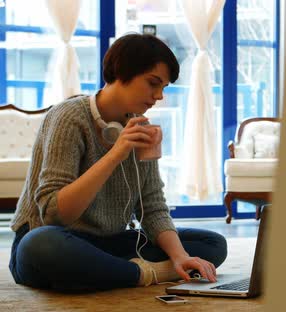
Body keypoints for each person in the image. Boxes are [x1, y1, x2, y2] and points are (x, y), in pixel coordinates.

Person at [8, 33, 227, 291]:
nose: (159, 96)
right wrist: (116, 153)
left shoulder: (139, 127)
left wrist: (180, 257)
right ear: (123, 72)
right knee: (42, 246)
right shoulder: (69, 117)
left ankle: (116, 271)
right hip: (54, 236)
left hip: (108, 242)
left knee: (212, 244)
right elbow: (56, 215)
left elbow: (152, 207)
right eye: (153, 83)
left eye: (163, 88)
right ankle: (147, 273)